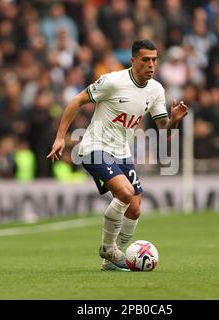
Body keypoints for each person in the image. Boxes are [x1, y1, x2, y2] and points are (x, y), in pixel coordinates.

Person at [47, 39, 188, 271]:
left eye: (154, 59)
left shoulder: (156, 90)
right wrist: (61, 137)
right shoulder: (113, 81)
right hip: (94, 147)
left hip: (122, 152)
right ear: (133, 60)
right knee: (125, 192)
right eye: (145, 60)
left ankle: (110, 261)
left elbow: (165, 131)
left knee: (135, 208)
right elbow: (77, 101)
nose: (151, 65)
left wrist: (174, 121)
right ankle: (108, 248)